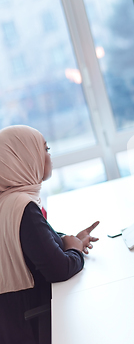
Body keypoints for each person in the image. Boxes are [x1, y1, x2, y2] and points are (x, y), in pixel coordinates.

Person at [0, 125, 100, 343]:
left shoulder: (9, 201)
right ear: (23, 157)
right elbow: (59, 270)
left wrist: (71, 240)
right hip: (34, 323)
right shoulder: (22, 206)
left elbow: (37, 247)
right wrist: (73, 248)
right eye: (44, 149)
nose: (49, 156)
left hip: (16, 320)